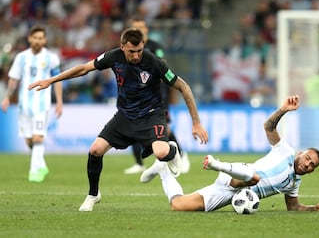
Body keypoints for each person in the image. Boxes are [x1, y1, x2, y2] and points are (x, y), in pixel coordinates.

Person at [28, 28, 209, 212]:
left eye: (139, 51)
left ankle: (172, 149)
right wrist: (51, 80)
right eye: (132, 52)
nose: (136, 56)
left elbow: (183, 86)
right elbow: (83, 69)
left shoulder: (154, 62)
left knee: (162, 153)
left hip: (151, 114)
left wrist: (196, 122)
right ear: (122, 47)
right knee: (95, 150)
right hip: (125, 116)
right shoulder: (112, 57)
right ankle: (93, 194)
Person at [140, 95, 319, 212]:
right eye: (308, 158)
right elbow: (268, 127)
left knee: (178, 205)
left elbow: (293, 207)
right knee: (255, 178)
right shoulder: (286, 151)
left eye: (312, 165)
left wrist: (315, 208)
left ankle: (163, 169)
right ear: (301, 154)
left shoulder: (295, 183)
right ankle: (216, 163)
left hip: (231, 193)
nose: (308, 164)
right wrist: (283, 109)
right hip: (237, 175)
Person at [124, 18, 190, 175]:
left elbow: (163, 69)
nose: (139, 30)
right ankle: (139, 163)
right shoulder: (128, 48)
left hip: (157, 94)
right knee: (133, 125)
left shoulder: (156, 47)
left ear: (146, 30)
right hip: (136, 95)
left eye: (141, 27)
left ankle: (181, 154)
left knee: (164, 128)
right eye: (136, 27)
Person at [1, 25, 63, 182]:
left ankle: (35, 171)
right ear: (29, 39)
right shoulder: (21, 57)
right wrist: (7, 97)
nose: (37, 41)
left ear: (45, 40)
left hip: (42, 104)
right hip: (24, 105)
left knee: (37, 138)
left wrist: (59, 101)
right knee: (29, 140)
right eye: (35, 38)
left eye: (40, 38)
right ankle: (41, 164)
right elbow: (14, 79)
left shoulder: (51, 58)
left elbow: (57, 81)